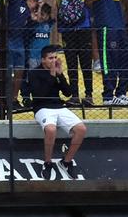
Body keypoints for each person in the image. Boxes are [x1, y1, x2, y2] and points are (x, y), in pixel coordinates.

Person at [29, 44, 87, 173]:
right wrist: (52, 75)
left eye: (55, 57)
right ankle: (47, 162)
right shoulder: (34, 73)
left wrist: (60, 75)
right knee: (51, 129)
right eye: (50, 58)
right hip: (42, 107)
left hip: (59, 106)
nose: (54, 60)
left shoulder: (56, 73)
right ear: (43, 60)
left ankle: (66, 161)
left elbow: (67, 93)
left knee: (81, 129)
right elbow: (39, 95)